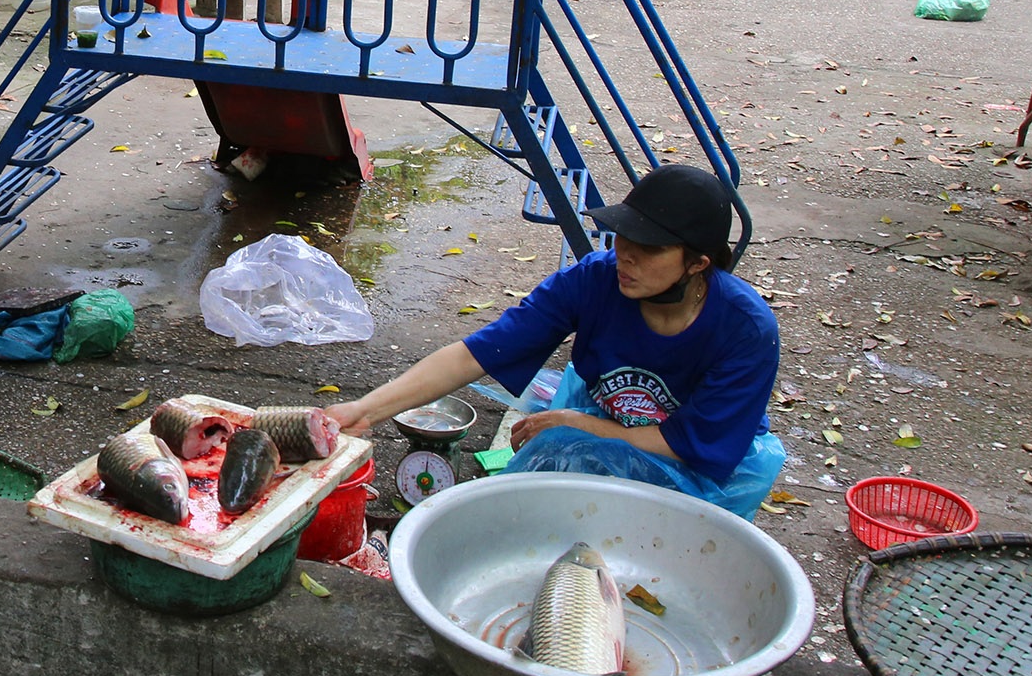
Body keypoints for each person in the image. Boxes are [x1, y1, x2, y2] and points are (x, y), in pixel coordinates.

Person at [329, 165, 785, 520]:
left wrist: (573, 421)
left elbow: (691, 444)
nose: (625, 252)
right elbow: (476, 354)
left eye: (649, 247)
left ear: (697, 263)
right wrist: (362, 411)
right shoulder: (594, 280)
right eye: (624, 233)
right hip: (618, 417)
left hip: (699, 459)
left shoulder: (746, 329)